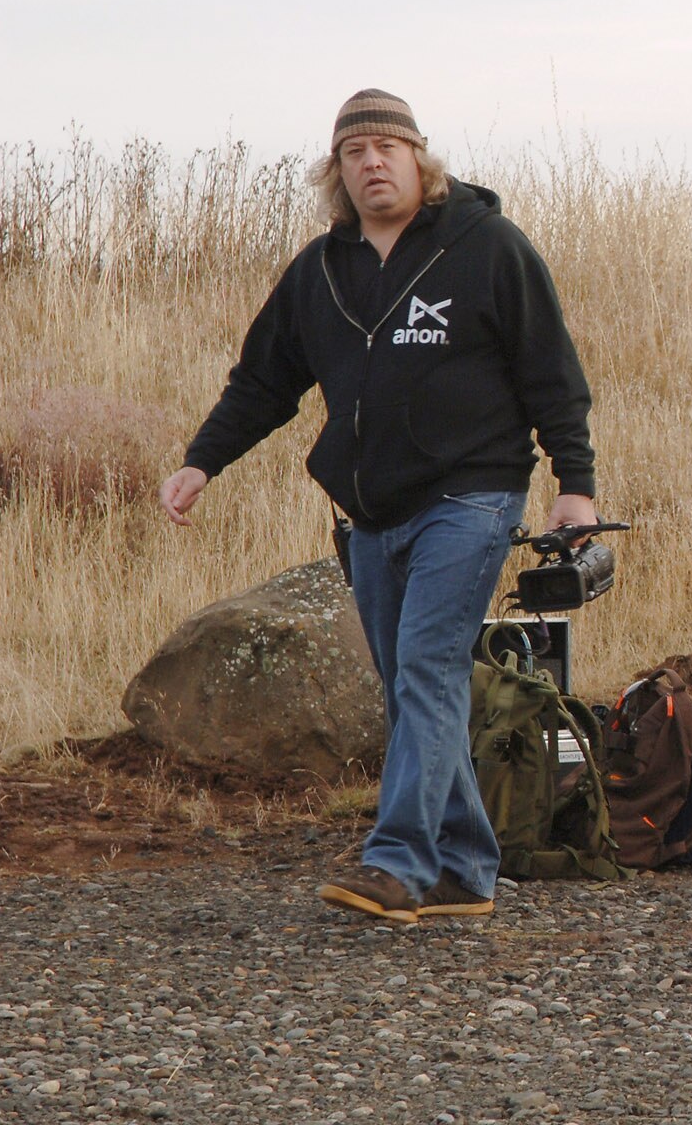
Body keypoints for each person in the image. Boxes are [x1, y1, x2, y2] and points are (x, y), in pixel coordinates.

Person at [159, 89, 600, 925]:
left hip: (471, 494)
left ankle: (396, 862)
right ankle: (466, 871)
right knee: (410, 688)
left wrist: (573, 484)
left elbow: (553, 371)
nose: (372, 164)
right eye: (354, 154)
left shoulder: (489, 249)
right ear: (338, 174)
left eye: (387, 148)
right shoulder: (320, 273)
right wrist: (201, 462)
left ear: (419, 159)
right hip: (370, 511)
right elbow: (263, 383)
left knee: (428, 667)